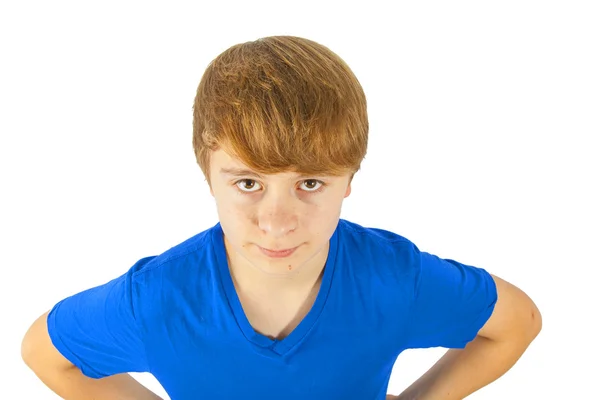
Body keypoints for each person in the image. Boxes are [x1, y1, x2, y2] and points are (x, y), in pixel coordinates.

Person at [21, 35, 542, 400]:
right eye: (248, 183)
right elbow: (45, 353)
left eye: (310, 183)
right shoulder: (158, 299)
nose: (277, 222)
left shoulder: (392, 279)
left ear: (350, 179)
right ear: (208, 176)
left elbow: (517, 323)